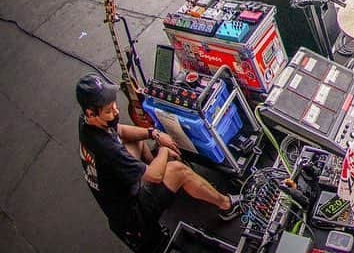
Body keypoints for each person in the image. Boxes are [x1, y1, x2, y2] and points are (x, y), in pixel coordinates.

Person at [76, 74, 240, 248]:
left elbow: (120, 130)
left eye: (114, 105)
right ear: (91, 113)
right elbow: (154, 175)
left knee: (136, 139)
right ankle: (227, 205)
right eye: (109, 110)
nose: (116, 111)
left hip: (120, 197)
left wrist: (153, 133)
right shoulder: (107, 149)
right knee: (178, 170)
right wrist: (163, 150)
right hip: (134, 216)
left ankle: (162, 178)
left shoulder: (87, 122)